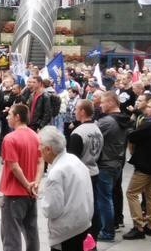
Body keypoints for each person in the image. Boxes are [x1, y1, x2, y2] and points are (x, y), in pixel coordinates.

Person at [38, 126, 93, 251]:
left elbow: (52, 209)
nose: (38, 149)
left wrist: (43, 199)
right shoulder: (74, 160)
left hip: (67, 233)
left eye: (40, 146)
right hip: (82, 223)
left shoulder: (56, 172)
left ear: (48, 149)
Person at [0, 104, 44, 251]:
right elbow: (40, 161)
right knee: (32, 233)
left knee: (11, 237)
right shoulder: (36, 136)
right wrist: (35, 184)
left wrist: (27, 184)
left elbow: (14, 166)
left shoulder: (10, 138)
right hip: (31, 193)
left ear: (17, 117)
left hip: (14, 193)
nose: (7, 117)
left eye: (10, 114)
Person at [123, 98, 151, 240]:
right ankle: (150, 225)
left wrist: (131, 125)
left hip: (145, 165)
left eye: (149, 106)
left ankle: (139, 226)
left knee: (131, 193)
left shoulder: (149, 124)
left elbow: (132, 136)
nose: (146, 109)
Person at [95, 91, 132, 241]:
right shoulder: (124, 118)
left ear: (111, 102)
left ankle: (107, 232)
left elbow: (92, 136)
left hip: (106, 164)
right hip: (117, 162)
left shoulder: (107, 122)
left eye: (102, 102)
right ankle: (114, 223)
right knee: (110, 196)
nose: (100, 105)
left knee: (104, 199)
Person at [68, 99, 104, 240]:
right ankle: (93, 231)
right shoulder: (97, 129)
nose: (75, 112)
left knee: (83, 207)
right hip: (94, 170)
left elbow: (72, 160)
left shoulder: (78, 133)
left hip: (82, 175)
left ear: (83, 111)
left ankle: (86, 233)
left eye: (76, 109)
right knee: (93, 203)